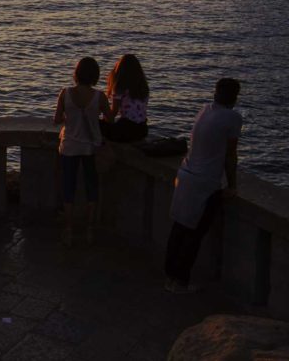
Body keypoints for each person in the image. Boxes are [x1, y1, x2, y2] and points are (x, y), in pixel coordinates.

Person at [165, 78, 242, 294]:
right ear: (235, 97)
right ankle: (180, 282)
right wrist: (232, 185)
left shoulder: (205, 110)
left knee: (179, 228)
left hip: (186, 174)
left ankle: (169, 276)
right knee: (194, 234)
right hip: (204, 182)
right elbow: (230, 156)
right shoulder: (233, 118)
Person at [54, 57, 113, 247]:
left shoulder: (65, 93)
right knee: (91, 187)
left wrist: (69, 116)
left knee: (68, 188)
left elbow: (56, 119)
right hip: (90, 148)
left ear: (76, 73)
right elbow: (110, 119)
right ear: (95, 76)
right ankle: (89, 230)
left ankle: (69, 230)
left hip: (69, 146)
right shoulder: (99, 97)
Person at [102, 54, 150, 142]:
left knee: (98, 125)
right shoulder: (143, 87)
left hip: (127, 130)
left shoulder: (120, 87)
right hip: (142, 129)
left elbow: (113, 112)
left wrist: (104, 117)